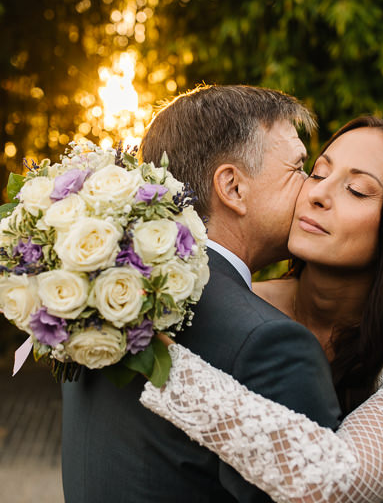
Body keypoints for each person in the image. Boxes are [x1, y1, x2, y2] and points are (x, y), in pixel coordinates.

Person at [140, 116, 383, 503]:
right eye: (317, 174)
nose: (317, 195)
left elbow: (336, 484)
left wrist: (159, 363)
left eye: (357, 190)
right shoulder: (230, 304)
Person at [60, 85, 342, 502]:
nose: (311, 190)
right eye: (299, 168)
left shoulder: (97, 299)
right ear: (233, 188)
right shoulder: (271, 345)